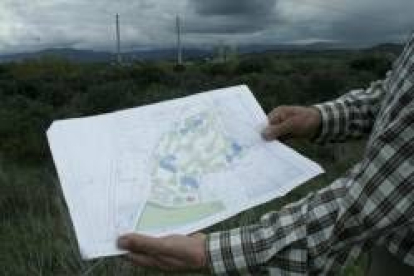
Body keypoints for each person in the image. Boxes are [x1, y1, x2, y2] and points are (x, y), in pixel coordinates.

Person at [116, 31, 414, 275]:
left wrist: (214, 253)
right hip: (389, 242)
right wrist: (322, 117)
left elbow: (383, 195)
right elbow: (395, 91)